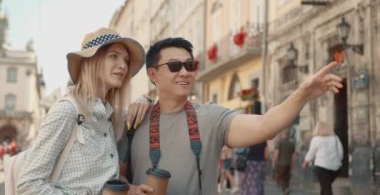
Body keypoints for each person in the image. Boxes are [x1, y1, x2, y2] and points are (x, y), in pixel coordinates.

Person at [118, 37, 343, 195]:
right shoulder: (132, 120)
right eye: (175, 66)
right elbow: (113, 179)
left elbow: (266, 125)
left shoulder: (212, 116)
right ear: (153, 74)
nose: (185, 72)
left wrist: (302, 94)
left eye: (189, 65)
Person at [16, 27, 153, 194]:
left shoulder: (110, 117)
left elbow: (102, 182)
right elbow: (28, 185)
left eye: (126, 60)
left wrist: (131, 190)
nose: (123, 65)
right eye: (113, 56)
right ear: (90, 61)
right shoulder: (67, 111)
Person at [302, 121, 343, 195]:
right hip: (335, 168)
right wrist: (336, 162)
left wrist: (305, 163)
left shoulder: (316, 139)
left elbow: (311, 154)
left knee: (326, 188)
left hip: (322, 167)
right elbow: (340, 153)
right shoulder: (335, 138)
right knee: (325, 186)